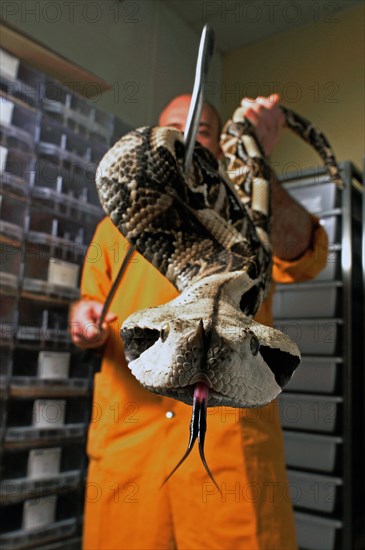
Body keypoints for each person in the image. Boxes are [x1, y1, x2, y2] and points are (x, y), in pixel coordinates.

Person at [70, 94, 328, 550]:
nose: (187, 137)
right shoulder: (114, 224)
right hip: (130, 451)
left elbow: (306, 257)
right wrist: (84, 319)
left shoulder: (249, 212)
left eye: (201, 130)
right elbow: (90, 299)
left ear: (221, 146)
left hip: (230, 459)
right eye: (176, 127)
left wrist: (260, 166)